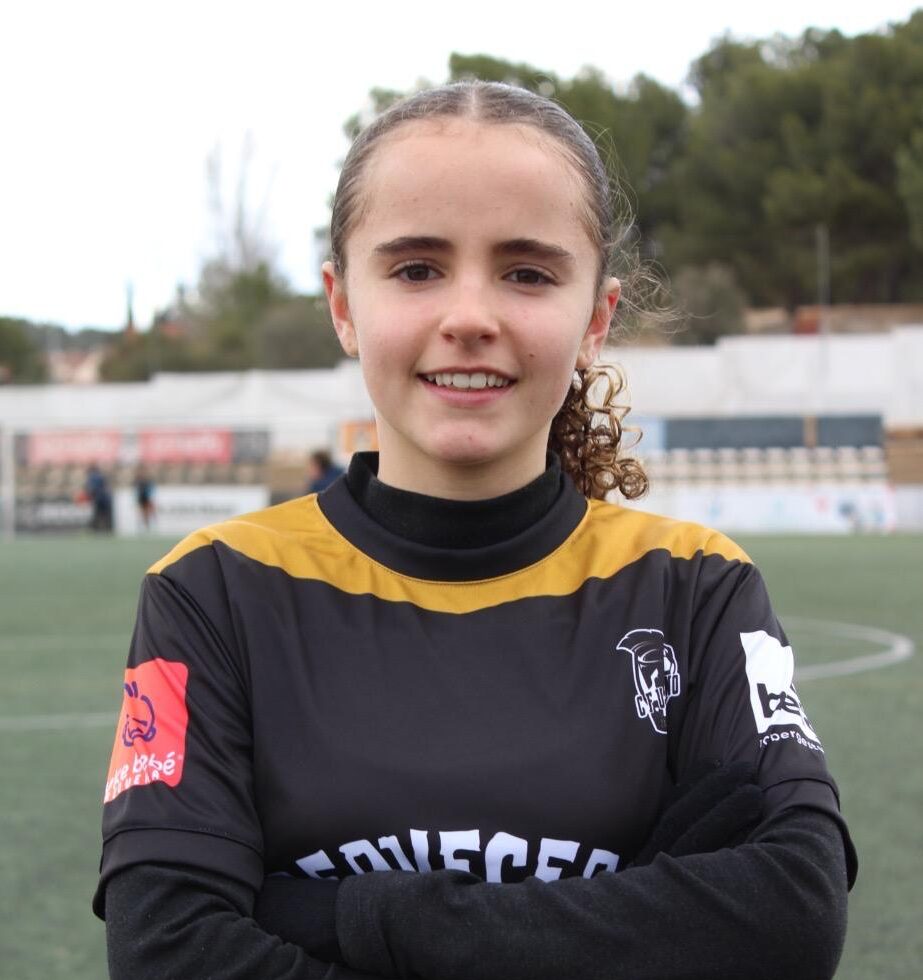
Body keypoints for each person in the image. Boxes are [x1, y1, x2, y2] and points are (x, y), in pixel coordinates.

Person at [95, 82, 856, 980]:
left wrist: (346, 915)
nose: (468, 318)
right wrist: (645, 915)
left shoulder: (694, 586)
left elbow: (793, 913)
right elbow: (168, 951)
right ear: (342, 305)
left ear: (596, 319)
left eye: (527, 273)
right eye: (416, 269)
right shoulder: (213, 587)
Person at [85, 463, 113, 532]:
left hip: (98, 498)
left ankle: (96, 528)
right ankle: (107, 527)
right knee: (105, 514)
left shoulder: (91, 477)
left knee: (97, 514)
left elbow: (91, 488)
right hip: (104, 498)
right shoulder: (101, 476)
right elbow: (106, 486)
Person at [133, 465, 156, 530]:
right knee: (142, 513)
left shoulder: (148, 480)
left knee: (148, 512)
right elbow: (136, 489)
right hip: (141, 498)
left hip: (147, 497)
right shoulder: (137, 480)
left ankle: (150, 525)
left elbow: (151, 488)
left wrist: (150, 496)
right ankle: (143, 526)